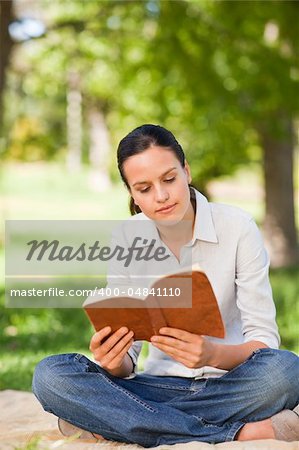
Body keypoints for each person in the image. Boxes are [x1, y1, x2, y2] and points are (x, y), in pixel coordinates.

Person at [32, 124, 299, 447]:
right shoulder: (127, 237)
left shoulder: (238, 227)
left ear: (186, 172)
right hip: (156, 385)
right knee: (51, 375)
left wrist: (212, 354)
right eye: (144, 189)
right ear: (132, 194)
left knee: (286, 371)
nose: (161, 196)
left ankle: (119, 421)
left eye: (169, 179)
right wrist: (114, 360)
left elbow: (264, 341)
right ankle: (235, 432)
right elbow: (127, 362)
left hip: (233, 383)